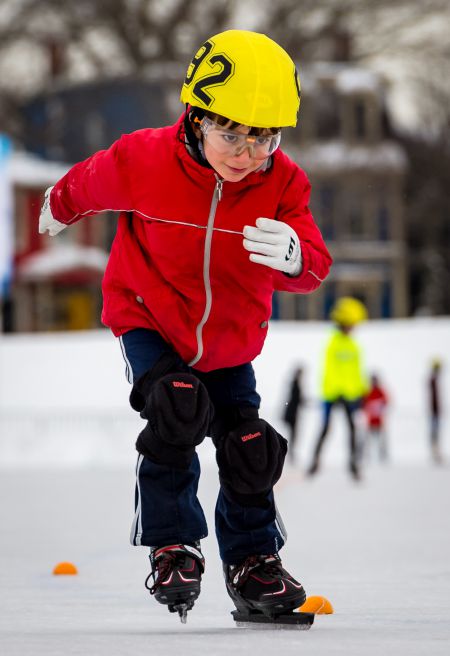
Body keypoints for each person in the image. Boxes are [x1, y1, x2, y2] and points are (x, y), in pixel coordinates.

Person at [38, 29, 332, 623]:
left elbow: (315, 267)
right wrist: (57, 204)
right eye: (231, 134)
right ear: (196, 118)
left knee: (250, 447)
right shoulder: (143, 158)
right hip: (147, 319)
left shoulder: (282, 183)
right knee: (176, 409)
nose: (246, 155)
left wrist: (298, 256)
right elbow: (88, 181)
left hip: (229, 340)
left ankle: (254, 564)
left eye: (264, 138)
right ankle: (173, 545)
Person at [307, 297, 368, 481]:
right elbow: (330, 370)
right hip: (333, 393)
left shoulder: (353, 345)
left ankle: (353, 464)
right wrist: (336, 391)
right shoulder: (334, 342)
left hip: (349, 394)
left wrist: (361, 391)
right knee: (325, 428)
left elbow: (357, 371)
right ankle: (315, 462)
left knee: (352, 430)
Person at [362, 373, 389, 463]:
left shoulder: (381, 392)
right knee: (367, 440)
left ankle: (383, 456)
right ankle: (366, 456)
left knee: (382, 440)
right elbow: (363, 404)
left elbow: (386, 402)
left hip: (379, 421)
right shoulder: (367, 392)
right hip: (370, 422)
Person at [282, 366, 305, 463]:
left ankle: (290, 454)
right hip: (292, 414)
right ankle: (289, 454)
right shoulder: (295, 384)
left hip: (292, 413)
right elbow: (296, 400)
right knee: (292, 435)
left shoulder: (295, 383)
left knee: (293, 435)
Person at [428, 359, 444, 464]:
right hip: (434, 412)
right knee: (434, 432)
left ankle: (436, 451)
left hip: (435, 411)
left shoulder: (434, 380)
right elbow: (433, 398)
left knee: (436, 432)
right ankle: (435, 452)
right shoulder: (433, 380)